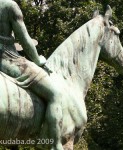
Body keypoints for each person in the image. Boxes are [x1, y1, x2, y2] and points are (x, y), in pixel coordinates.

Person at [0, 0, 63, 149]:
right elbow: (25, 40)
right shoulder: (9, 6)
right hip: (8, 60)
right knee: (55, 94)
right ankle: (56, 145)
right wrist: (37, 60)